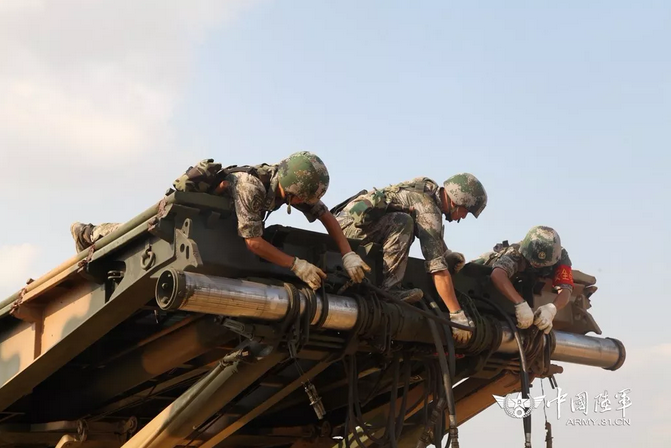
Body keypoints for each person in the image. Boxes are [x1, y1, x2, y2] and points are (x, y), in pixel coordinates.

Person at [70, 152, 370, 290]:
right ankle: (88, 232)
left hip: (219, 226)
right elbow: (253, 242)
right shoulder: (252, 188)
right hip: (188, 221)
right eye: (303, 198)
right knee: (132, 236)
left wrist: (348, 255)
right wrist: (296, 265)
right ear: (293, 190)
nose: (306, 203)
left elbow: (326, 216)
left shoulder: (289, 187)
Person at [333, 173, 488, 343]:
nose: (463, 217)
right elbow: (436, 268)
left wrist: (446, 253)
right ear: (455, 202)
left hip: (349, 226)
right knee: (403, 222)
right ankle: (390, 289)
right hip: (347, 230)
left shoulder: (427, 193)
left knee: (405, 220)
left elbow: (428, 231)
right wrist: (456, 314)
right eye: (465, 211)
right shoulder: (428, 207)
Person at [473, 226, 573, 334]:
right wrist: (520, 303)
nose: (537, 265)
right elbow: (497, 274)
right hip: (484, 269)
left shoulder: (560, 256)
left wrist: (552, 308)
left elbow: (566, 289)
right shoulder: (515, 252)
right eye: (534, 262)